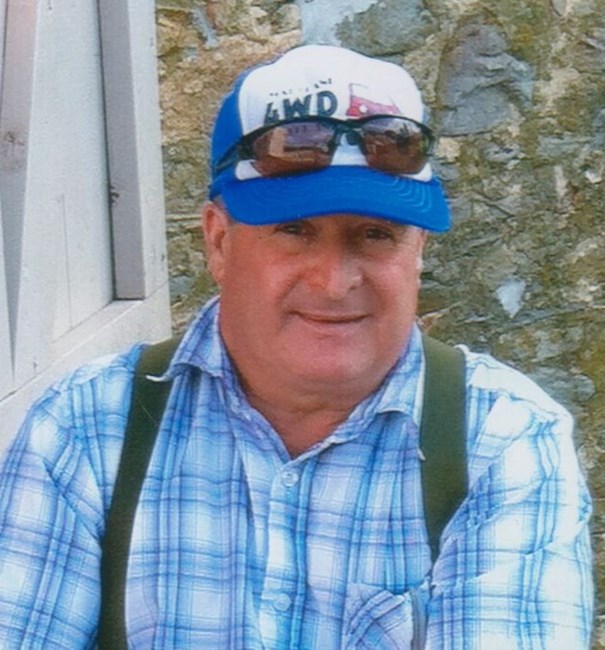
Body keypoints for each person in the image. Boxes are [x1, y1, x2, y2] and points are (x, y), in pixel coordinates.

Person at [0, 45, 593, 649]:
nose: (334, 282)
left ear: (418, 250)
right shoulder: (87, 429)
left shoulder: (503, 442)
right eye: (294, 231)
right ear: (219, 242)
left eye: (375, 234)